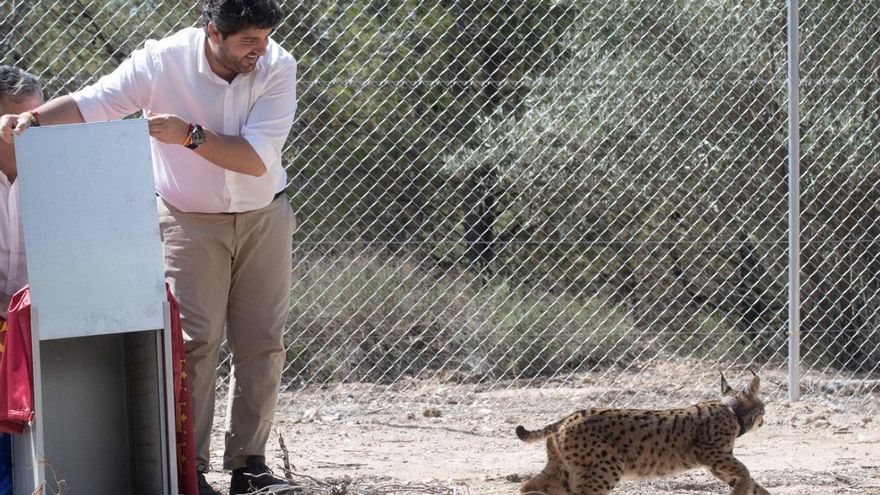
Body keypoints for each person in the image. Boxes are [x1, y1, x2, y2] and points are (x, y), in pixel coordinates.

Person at [0, 1, 298, 494]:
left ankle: (250, 465)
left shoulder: (277, 65)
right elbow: (92, 103)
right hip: (186, 217)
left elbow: (256, 160)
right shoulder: (161, 61)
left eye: (264, 37)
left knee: (262, 341)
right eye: (248, 40)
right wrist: (30, 120)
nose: (259, 49)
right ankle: (191, 469)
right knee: (193, 342)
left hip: (264, 212)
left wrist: (190, 136)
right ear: (213, 33)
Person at [0, 65, 43, 495]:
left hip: (39, 320)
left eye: (36, 116)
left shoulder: (60, 172)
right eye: (15, 118)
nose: (27, 128)